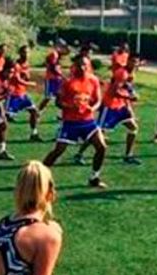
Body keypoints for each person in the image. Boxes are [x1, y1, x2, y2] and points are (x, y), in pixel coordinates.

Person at [42, 56, 109, 188]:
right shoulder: (68, 82)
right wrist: (70, 106)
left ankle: (94, 177)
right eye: (80, 65)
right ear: (75, 67)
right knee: (58, 151)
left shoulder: (93, 80)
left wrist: (93, 108)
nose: (83, 68)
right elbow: (58, 102)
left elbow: (98, 100)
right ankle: (39, 175)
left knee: (101, 147)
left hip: (88, 121)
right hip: (70, 122)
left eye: (86, 65)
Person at [71, 68, 141, 166]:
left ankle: (128, 156)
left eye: (137, 62)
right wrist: (129, 97)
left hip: (120, 107)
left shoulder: (129, 74)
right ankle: (79, 154)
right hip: (110, 108)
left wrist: (130, 95)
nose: (135, 64)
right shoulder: (121, 72)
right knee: (97, 133)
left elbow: (125, 86)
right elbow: (114, 91)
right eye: (133, 62)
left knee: (133, 128)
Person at [6, 45, 42, 142]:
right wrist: (31, 83)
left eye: (28, 52)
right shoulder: (16, 65)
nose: (26, 54)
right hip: (14, 94)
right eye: (24, 52)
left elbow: (26, 76)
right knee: (6, 117)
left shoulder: (27, 64)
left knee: (34, 112)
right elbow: (17, 80)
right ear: (20, 53)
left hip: (23, 93)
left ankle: (34, 133)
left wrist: (27, 77)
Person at [37, 39, 68, 113]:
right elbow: (52, 67)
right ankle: (38, 112)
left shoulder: (57, 54)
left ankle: (62, 114)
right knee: (48, 97)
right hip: (51, 79)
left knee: (60, 96)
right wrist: (60, 75)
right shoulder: (54, 54)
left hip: (57, 79)